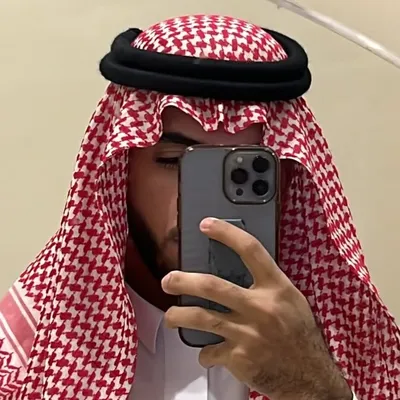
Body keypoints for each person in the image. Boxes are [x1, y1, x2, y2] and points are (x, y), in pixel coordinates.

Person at [0, 14, 398, 400]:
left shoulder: (347, 346)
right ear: (121, 170)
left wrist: (311, 387)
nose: (205, 216)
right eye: (174, 161)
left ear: (290, 180)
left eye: (251, 172)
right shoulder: (24, 351)